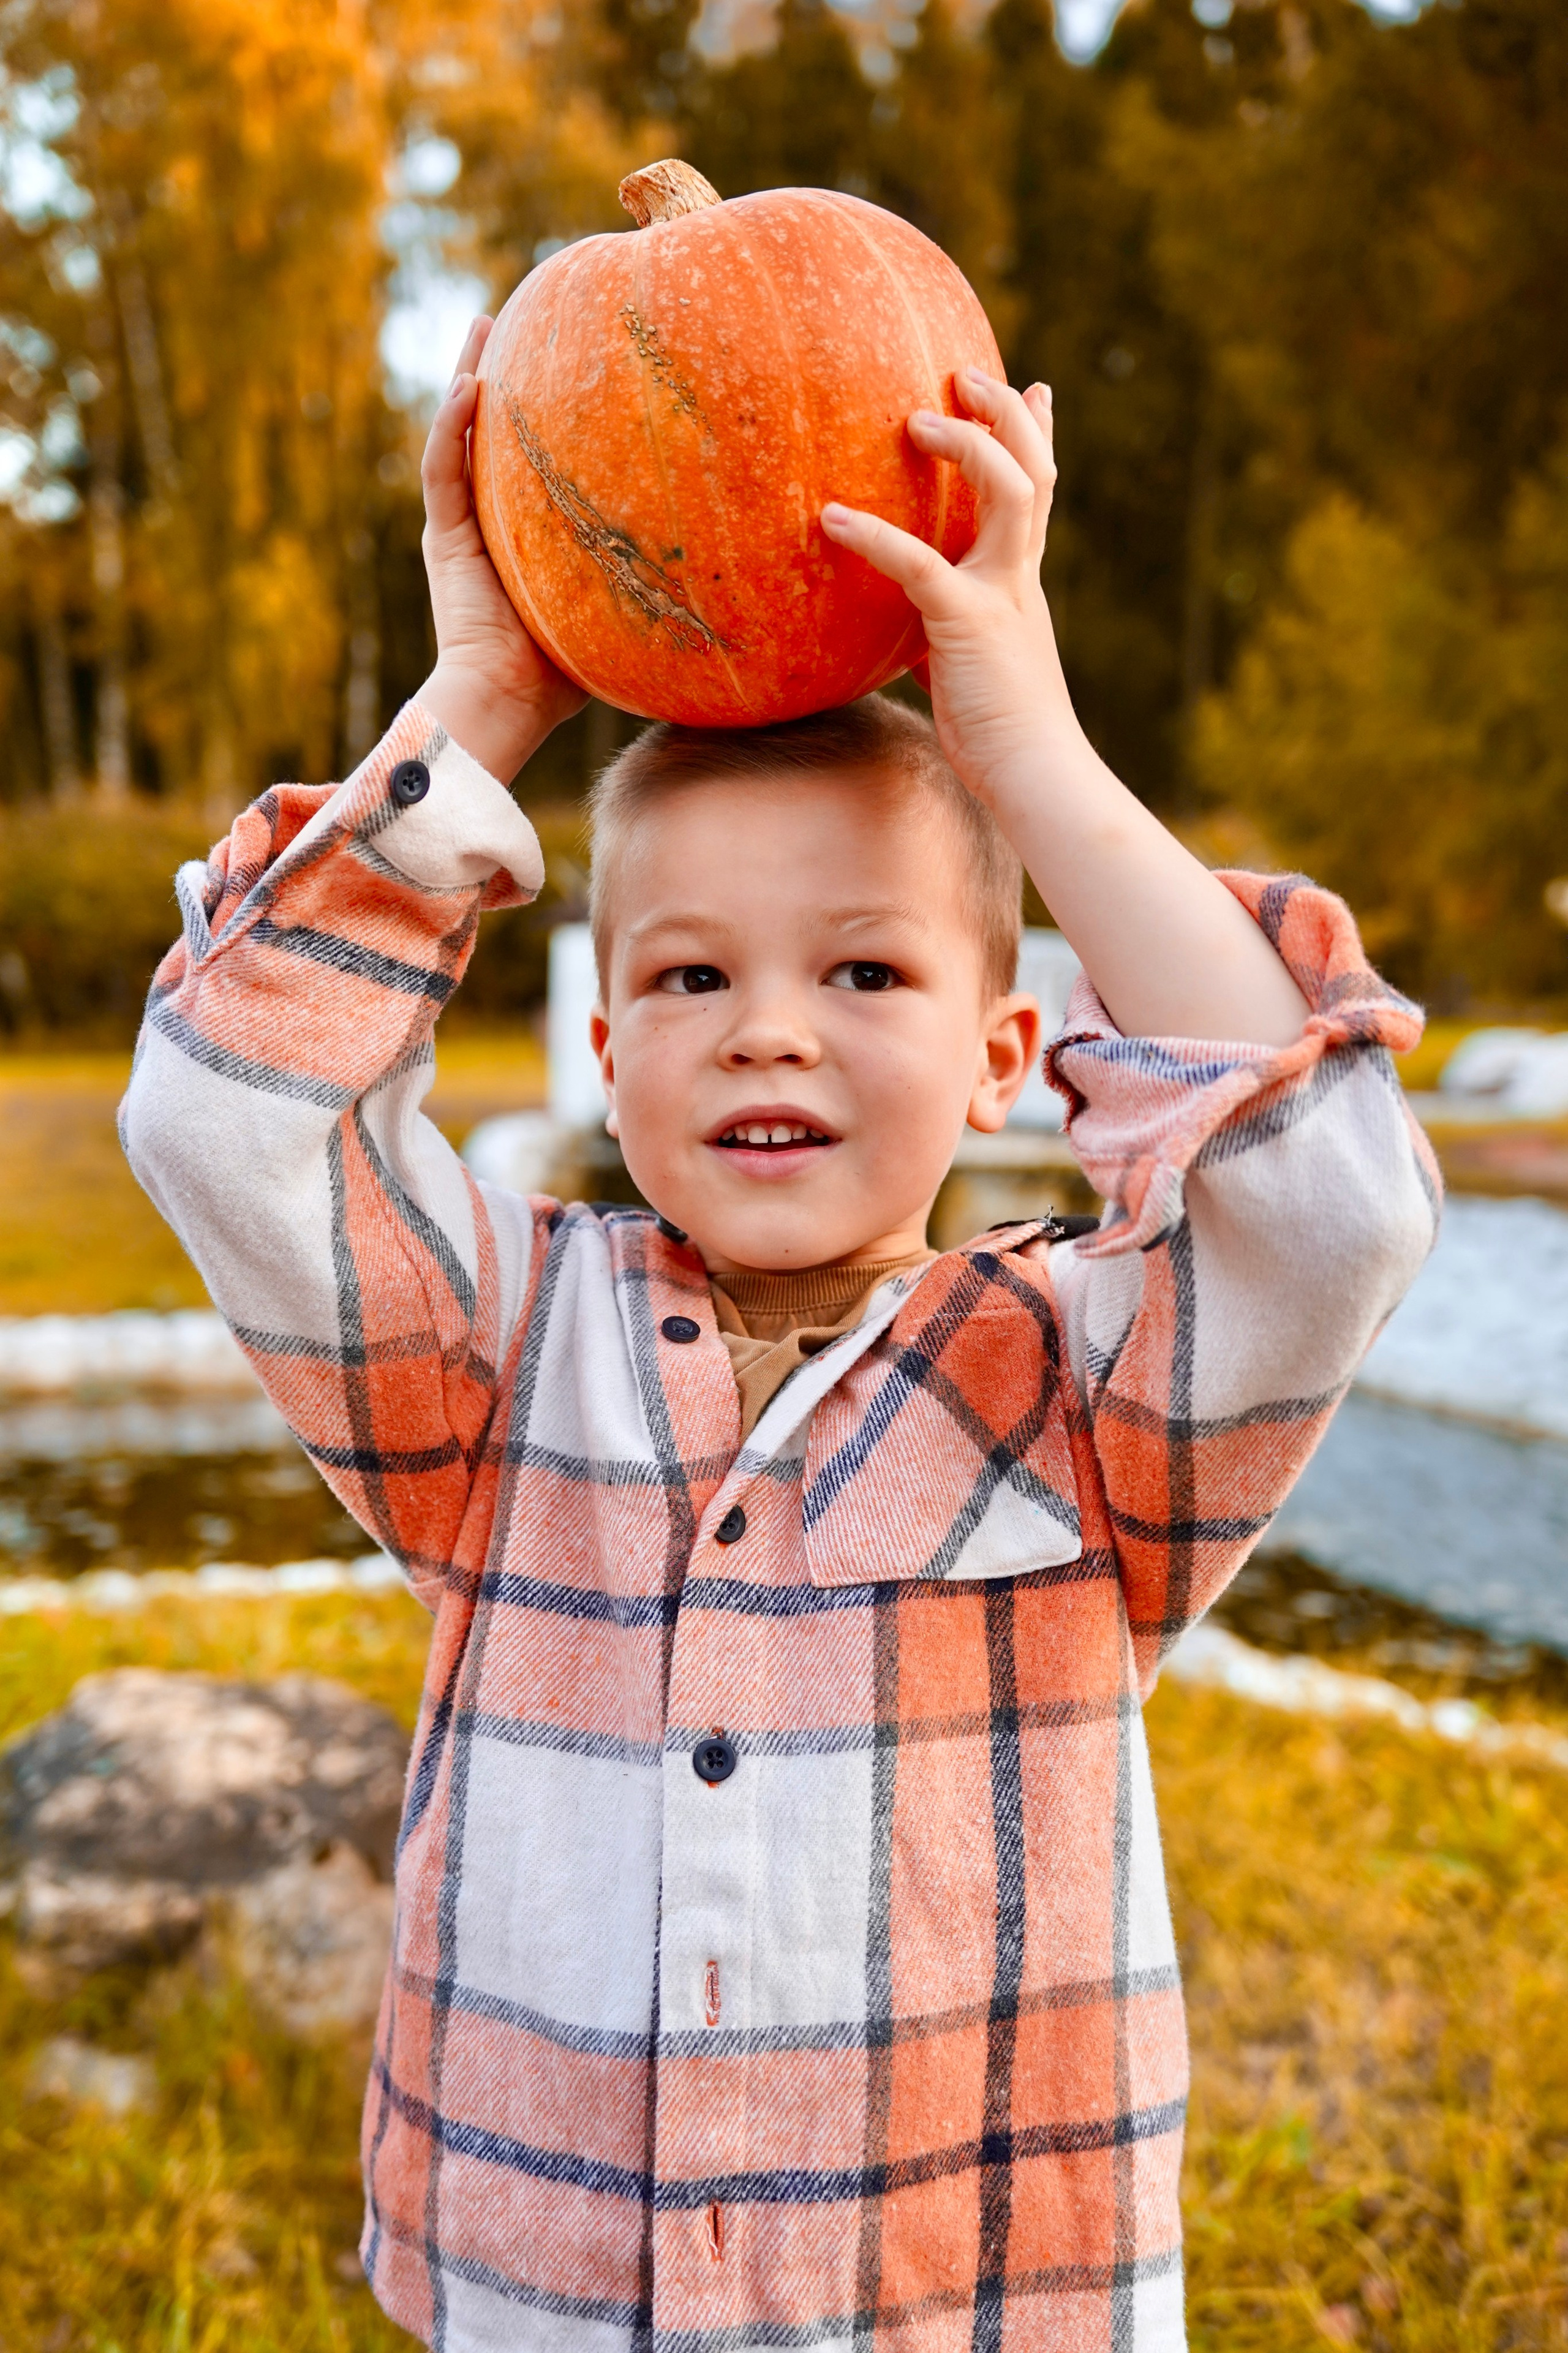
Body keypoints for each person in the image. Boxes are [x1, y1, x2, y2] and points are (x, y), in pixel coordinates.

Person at [123, 315, 1438, 2353]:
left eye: (866, 967)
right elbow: (227, 1109)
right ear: (607, 1042)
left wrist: (1036, 756)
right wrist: (485, 694)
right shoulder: (498, 1361)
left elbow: (1327, 1196)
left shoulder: (1085, 1395)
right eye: (692, 972)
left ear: (1016, 1050)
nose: (770, 1023)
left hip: (974, 2305)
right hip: (553, 2301)